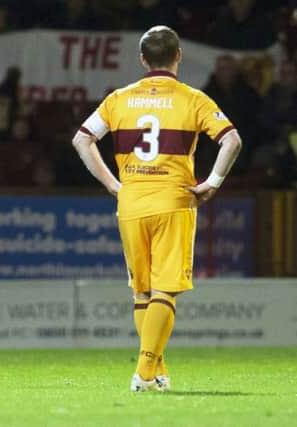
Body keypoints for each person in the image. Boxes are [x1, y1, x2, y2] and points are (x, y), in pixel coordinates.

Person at [71, 26, 242, 392]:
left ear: (142, 60)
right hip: (173, 200)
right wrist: (212, 182)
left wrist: (113, 184)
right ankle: (144, 373)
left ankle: (158, 371)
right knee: (165, 290)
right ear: (178, 55)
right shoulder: (193, 98)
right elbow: (232, 140)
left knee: (142, 292)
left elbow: (82, 140)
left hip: (131, 202)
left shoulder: (119, 99)